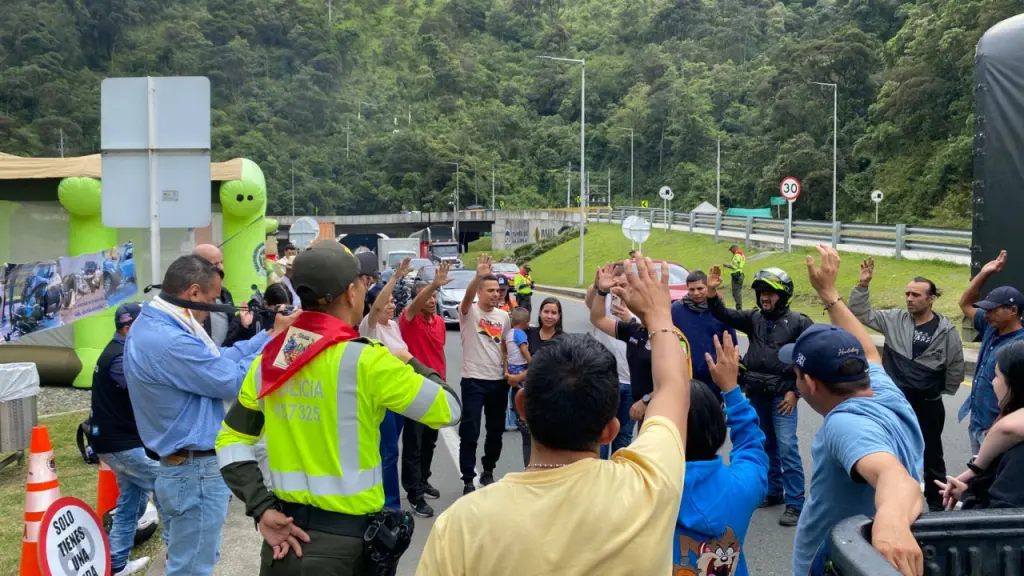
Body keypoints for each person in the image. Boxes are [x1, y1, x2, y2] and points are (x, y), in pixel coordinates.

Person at [418, 257, 693, 576]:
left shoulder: (460, 526)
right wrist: (659, 315)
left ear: (522, 408)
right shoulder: (649, 485)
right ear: (610, 430)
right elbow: (674, 388)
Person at [215, 241, 462, 575]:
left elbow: (231, 440)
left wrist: (261, 507)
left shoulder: (274, 359)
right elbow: (449, 408)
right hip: (347, 549)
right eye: (363, 283)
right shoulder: (368, 361)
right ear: (350, 292)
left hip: (284, 543)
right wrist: (409, 360)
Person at [123, 254, 295, 576]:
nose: (213, 307)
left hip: (188, 469)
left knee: (193, 560)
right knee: (192, 569)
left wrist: (269, 336)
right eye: (213, 299)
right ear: (193, 292)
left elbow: (219, 358)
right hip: (194, 471)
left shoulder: (159, 323)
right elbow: (232, 380)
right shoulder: (168, 340)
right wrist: (281, 346)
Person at [789, 245, 925, 576]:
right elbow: (869, 351)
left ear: (810, 383)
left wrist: (892, 523)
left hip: (839, 565)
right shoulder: (880, 387)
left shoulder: (846, 424)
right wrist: (829, 294)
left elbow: (893, 475)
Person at [849, 258, 965, 511]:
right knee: (890, 451)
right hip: (894, 403)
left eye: (916, 295)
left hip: (929, 405)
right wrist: (862, 285)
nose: (909, 299)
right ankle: (892, 503)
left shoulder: (946, 330)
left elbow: (955, 366)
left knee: (932, 457)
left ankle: (937, 507)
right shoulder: (894, 319)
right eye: (907, 294)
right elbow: (861, 313)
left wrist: (940, 390)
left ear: (931, 299)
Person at [707, 265, 812, 526]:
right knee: (766, 445)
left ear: (783, 295)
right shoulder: (754, 318)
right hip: (757, 393)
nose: (765, 297)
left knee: (787, 448)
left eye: (771, 293)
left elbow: (810, 360)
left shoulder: (798, 322)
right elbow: (723, 314)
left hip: (782, 396)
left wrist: (796, 393)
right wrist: (712, 293)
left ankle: (795, 502)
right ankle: (774, 491)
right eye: (762, 293)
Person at [673, 334, 768, 576]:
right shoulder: (743, 486)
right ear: (718, 426)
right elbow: (751, 446)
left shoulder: (641, 494)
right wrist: (731, 390)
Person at [90, 303, 168, 576]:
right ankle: (177, 556)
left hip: (120, 441)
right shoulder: (119, 358)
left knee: (132, 501)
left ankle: (117, 564)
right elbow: (146, 391)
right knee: (167, 486)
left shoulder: (121, 351)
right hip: (120, 443)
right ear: (128, 327)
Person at [591, 264, 693, 429]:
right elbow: (598, 319)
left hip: (665, 413)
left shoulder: (672, 336)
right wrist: (602, 291)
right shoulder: (634, 329)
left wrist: (646, 400)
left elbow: (679, 382)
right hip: (641, 411)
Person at [937, 340, 1024, 510]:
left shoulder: (1017, 453)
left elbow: (999, 518)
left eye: (997, 376)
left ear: (1016, 383)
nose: (992, 382)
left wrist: (967, 495)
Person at [399, 263, 455, 518]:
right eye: (427, 296)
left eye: (434, 297)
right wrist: (433, 284)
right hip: (415, 390)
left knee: (430, 441)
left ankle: (423, 480)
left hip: (437, 389)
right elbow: (415, 305)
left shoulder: (440, 322)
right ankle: (414, 493)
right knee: (414, 443)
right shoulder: (409, 320)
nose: (432, 300)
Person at [359, 257, 413, 512]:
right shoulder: (368, 327)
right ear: (373, 305)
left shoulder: (393, 326)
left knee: (389, 450)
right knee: (389, 451)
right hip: (381, 398)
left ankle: (381, 496)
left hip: (399, 395)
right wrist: (394, 278)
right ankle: (389, 505)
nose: (391, 305)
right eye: (386, 302)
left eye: (393, 301)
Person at [957, 250, 1024, 454]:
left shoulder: (1019, 347)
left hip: (998, 431)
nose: (986, 314)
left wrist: (995, 428)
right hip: (978, 423)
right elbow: (965, 304)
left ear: (1013, 311)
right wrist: (984, 273)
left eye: (992, 310)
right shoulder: (990, 328)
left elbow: (1018, 397)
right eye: (985, 309)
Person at [458, 254, 510, 494]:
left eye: (497, 290)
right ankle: (468, 479)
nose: (495, 294)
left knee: (495, 431)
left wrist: (507, 370)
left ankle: (488, 470)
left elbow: (505, 346)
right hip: (473, 381)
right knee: (470, 432)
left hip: (498, 382)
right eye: (490, 290)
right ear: (479, 292)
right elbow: (467, 298)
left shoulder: (504, 316)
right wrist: (476, 276)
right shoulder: (469, 312)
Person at [585, 265, 636, 460]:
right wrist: (599, 286)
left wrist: (630, 319)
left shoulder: (639, 308)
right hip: (606, 380)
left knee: (624, 435)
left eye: (623, 285)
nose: (619, 290)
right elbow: (590, 304)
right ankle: (601, 472)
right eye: (616, 285)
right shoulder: (603, 301)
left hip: (631, 382)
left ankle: (619, 472)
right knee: (602, 432)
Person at [507, 296, 566, 465]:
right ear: (539, 313)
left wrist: (520, 377)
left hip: (551, 398)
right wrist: (509, 375)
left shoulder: (563, 339)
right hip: (524, 395)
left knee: (549, 441)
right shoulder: (527, 333)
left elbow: (549, 368)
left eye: (553, 313)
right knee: (527, 439)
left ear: (559, 316)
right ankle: (530, 473)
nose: (549, 316)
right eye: (546, 311)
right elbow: (512, 355)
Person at [672, 269, 737, 402]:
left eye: (700, 288)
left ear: (707, 287)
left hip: (714, 378)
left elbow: (732, 343)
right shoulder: (676, 310)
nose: (696, 293)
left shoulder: (719, 311)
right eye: (692, 289)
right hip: (686, 376)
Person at [223, 283, 294, 347]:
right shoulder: (247, 318)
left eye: (287, 309)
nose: (282, 314)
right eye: (278, 308)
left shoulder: (289, 319)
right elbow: (226, 347)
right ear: (266, 304)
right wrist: (244, 328)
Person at [194, 244, 237, 346]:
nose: (221, 267)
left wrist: (245, 326)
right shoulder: (187, 296)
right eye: (215, 264)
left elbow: (232, 330)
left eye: (221, 262)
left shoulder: (225, 294)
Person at [724, 245, 746, 310]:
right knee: (737, 292)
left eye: (731, 250)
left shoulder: (737, 255)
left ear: (734, 249)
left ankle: (739, 309)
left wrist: (727, 265)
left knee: (736, 292)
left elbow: (735, 266)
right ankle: (739, 308)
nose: (731, 252)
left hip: (736, 276)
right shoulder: (741, 255)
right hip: (740, 274)